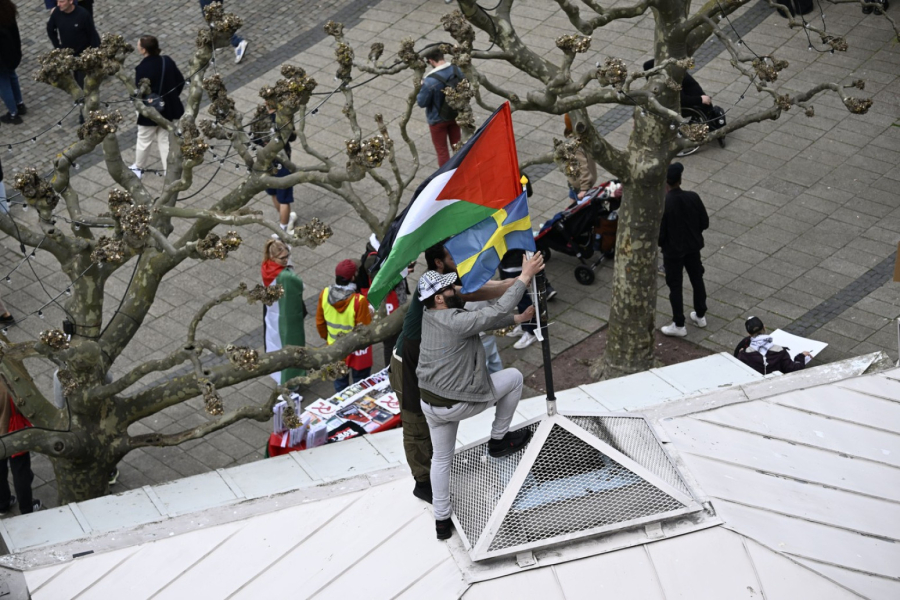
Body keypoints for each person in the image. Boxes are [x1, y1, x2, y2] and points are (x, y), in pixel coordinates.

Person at [418, 252, 544, 540]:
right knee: (514, 378)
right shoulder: (454, 320)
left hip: (430, 403)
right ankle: (499, 440)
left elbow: (480, 321)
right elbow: (492, 312)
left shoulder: (431, 316)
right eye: (449, 289)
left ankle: (441, 521)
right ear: (439, 298)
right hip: (456, 403)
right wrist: (525, 276)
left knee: (441, 459)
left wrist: (518, 318)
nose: (456, 290)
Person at [390, 242, 515, 505]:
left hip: (428, 363)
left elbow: (474, 291)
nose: (459, 259)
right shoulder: (431, 282)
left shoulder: (447, 281)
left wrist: (512, 283)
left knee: (434, 426)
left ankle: (436, 476)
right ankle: (423, 482)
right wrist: (516, 283)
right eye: (452, 256)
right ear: (438, 262)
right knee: (415, 422)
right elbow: (472, 293)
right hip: (408, 361)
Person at [659, 162, 708, 337]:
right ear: (680, 180)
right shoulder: (693, 197)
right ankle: (700, 315)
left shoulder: (665, 204)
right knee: (697, 279)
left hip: (673, 252)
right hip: (693, 248)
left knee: (675, 286)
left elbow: (660, 234)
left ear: (666, 182)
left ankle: (679, 324)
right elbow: (704, 222)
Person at [129, 36, 185, 179]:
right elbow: (180, 81)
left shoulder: (142, 68)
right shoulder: (167, 61)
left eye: (139, 45)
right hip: (168, 109)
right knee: (165, 140)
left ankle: (138, 167)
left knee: (144, 139)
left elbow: (140, 93)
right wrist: (170, 99)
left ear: (143, 50)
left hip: (150, 111)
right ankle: (169, 170)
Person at [317, 259, 373, 392]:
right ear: (353, 278)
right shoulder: (359, 301)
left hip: (335, 349)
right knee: (361, 387)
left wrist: (328, 339)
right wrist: (370, 313)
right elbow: (364, 330)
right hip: (357, 352)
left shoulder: (325, 293)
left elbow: (320, 323)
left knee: (340, 387)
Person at [262, 239, 307, 386]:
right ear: (273, 257)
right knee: (291, 345)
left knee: (275, 344)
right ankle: (291, 381)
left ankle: (278, 375)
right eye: (282, 258)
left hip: (272, 313)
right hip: (287, 316)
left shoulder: (267, 267)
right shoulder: (286, 276)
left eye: (287, 256)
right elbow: (299, 285)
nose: (286, 260)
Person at [0, 379, 42, 515]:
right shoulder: (8, 380)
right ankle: (26, 508)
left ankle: (2, 504)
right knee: (21, 471)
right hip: (13, 433)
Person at [500, 249, 556, 350]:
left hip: (515, 259)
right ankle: (525, 326)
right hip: (505, 259)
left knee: (522, 298)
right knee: (517, 297)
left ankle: (532, 330)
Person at [416, 48, 463, 167]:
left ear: (431, 61)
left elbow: (422, 102)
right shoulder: (456, 70)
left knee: (442, 151)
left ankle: (446, 174)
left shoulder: (429, 81)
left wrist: (421, 87)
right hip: (455, 114)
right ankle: (462, 168)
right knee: (458, 145)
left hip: (437, 119)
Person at [46, 0, 100, 93]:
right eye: (58, 2)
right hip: (70, 55)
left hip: (83, 55)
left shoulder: (83, 15)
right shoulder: (57, 13)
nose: (58, 4)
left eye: (62, 2)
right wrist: (58, 47)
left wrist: (96, 54)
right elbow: (50, 29)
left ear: (71, 1)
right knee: (77, 79)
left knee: (84, 83)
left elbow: (92, 35)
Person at [734, 316, 812, 375]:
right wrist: (800, 357)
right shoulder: (780, 351)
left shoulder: (743, 354)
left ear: (749, 334)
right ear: (764, 327)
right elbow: (793, 369)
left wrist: (741, 354)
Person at [0, 0, 25, 125]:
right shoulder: (6, 8)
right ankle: (19, 104)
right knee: (12, 76)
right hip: (11, 52)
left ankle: (13, 113)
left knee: (3, 84)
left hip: (1, 58)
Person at [563, 114, 597, 201]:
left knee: (581, 207)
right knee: (572, 201)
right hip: (574, 183)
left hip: (580, 187)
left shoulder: (575, 146)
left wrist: (584, 189)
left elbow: (583, 167)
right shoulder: (585, 137)